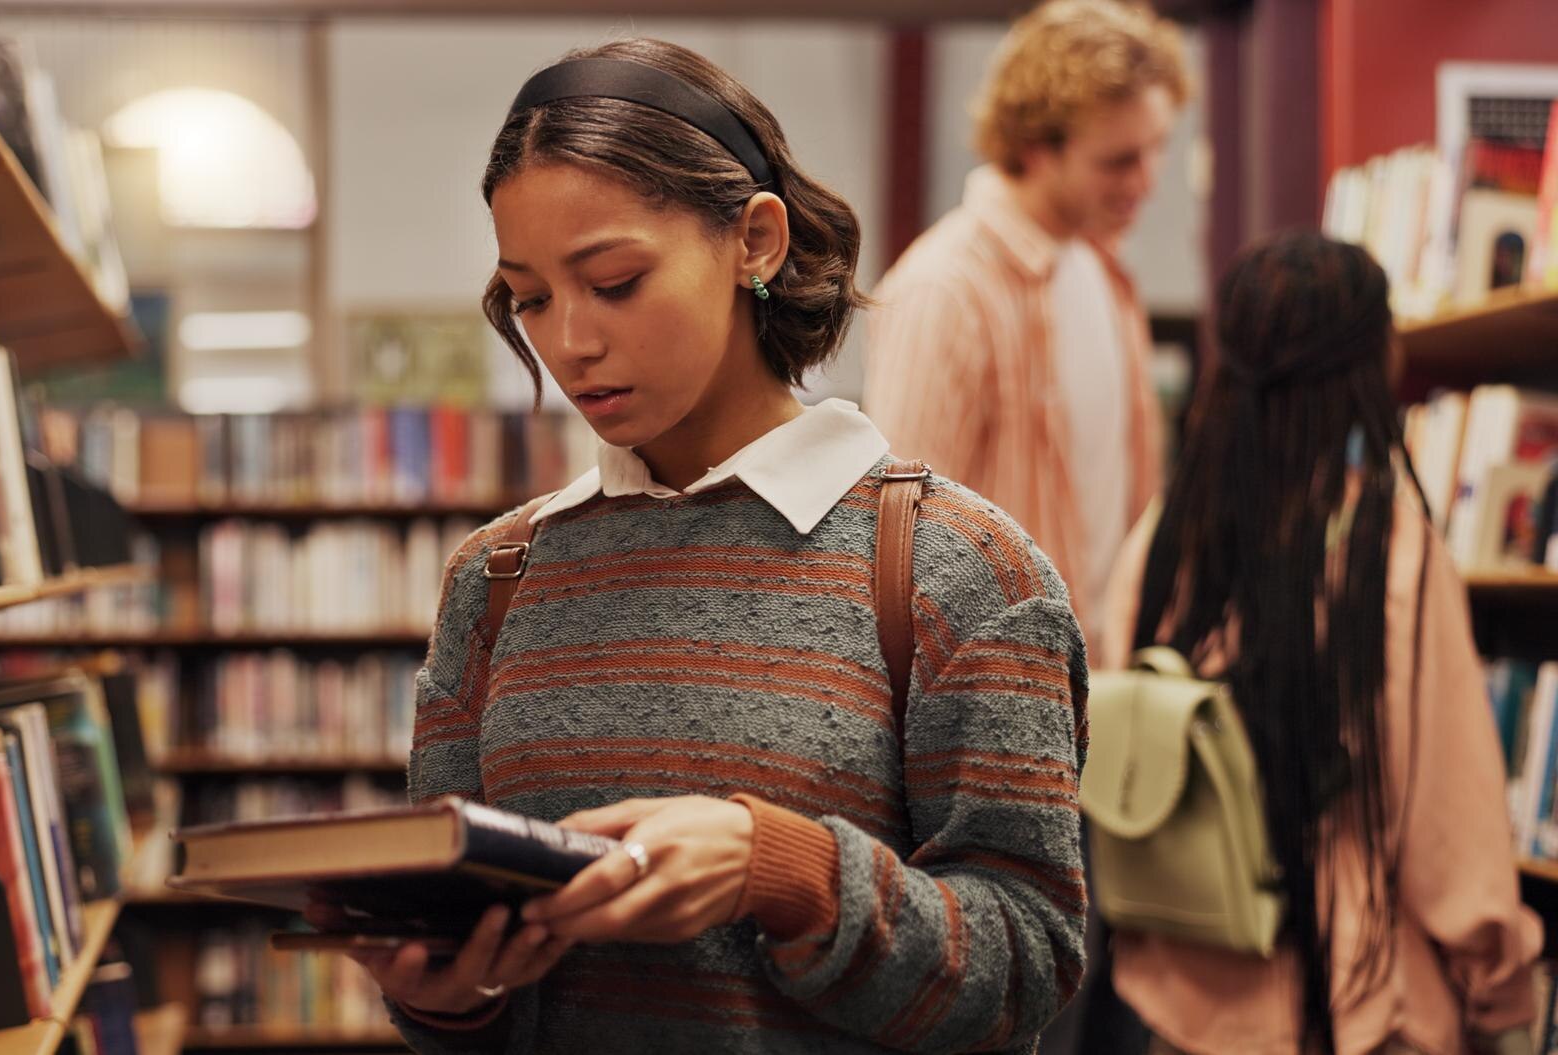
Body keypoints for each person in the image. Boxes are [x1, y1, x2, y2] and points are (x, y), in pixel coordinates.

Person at [317, 37, 1092, 1055]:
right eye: (530, 298)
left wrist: (784, 870)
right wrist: (447, 996)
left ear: (755, 241)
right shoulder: (496, 577)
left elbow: (1028, 959)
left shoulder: (960, 570)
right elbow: (475, 987)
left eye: (614, 281)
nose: (569, 341)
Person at [1098, 231, 1543, 1055]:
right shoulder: (1385, 550)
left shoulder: (1167, 536)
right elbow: (1450, 834)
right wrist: (1503, 994)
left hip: (1179, 991)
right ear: (1368, 365)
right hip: (1348, 1002)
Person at [861, 0, 1189, 648]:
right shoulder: (945, 289)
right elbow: (899, 548)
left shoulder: (1104, 269)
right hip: (998, 685)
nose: (1148, 181)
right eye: (1119, 161)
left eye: (1157, 149)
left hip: (1100, 673)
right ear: (1036, 149)